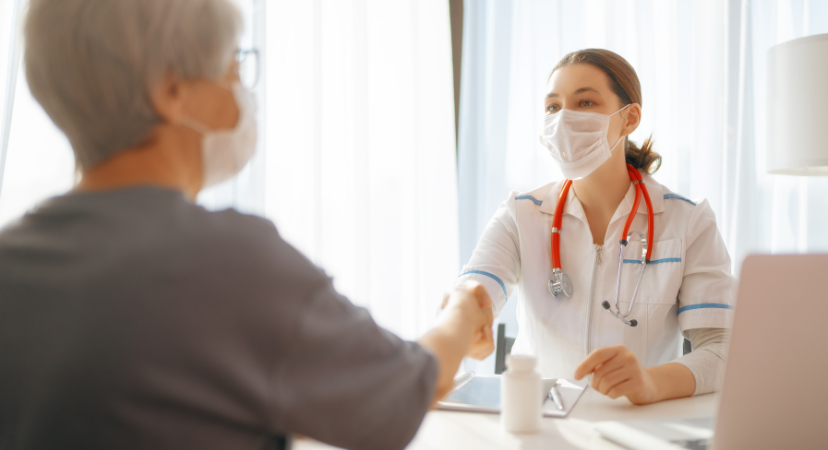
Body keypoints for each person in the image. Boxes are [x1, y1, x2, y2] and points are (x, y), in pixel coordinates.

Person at [0, 1, 493, 449]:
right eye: (232, 64)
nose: (241, 86)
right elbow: (404, 391)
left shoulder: (12, 260)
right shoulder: (229, 262)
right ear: (171, 91)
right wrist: (461, 315)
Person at [455, 49, 733, 405]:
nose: (564, 118)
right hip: (540, 424)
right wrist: (464, 316)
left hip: (636, 426)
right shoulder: (520, 215)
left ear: (630, 118)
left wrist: (649, 383)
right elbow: (475, 291)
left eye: (585, 102)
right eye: (553, 107)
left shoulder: (687, 222)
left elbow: (723, 350)